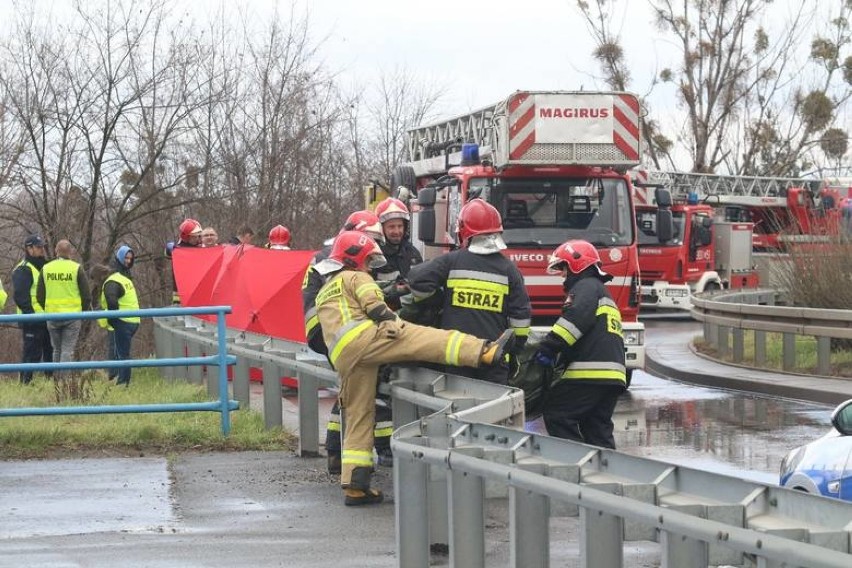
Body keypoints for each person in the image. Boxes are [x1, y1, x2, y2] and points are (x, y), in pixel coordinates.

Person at [313, 230, 515, 506]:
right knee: (426, 338)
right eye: (368, 261)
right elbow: (374, 305)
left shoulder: (326, 288)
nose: (369, 266)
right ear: (356, 258)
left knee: (358, 413)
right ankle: (484, 351)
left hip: (344, 357)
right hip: (365, 339)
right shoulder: (357, 277)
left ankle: (355, 485)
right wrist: (394, 324)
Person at [301, 210, 390, 474]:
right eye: (368, 237)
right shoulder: (342, 258)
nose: (371, 244)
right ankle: (385, 449)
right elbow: (351, 297)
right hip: (336, 331)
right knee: (370, 385)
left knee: (349, 390)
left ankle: (335, 453)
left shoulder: (328, 253)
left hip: (322, 331)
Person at [407, 199, 531, 385]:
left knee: (457, 410)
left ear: (464, 231)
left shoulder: (451, 261)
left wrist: (439, 300)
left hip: (456, 355)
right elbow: (520, 322)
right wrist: (514, 352)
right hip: (494, 359)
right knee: (493, 411)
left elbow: (416, 281)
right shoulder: (509, 270)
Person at [532, 239, 627, 449]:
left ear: (576, 264)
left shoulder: (585, 287)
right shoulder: (601, 291)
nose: (563, 275)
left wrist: (549, 346)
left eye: (563, 268)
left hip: (591, 374)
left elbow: (575, 320)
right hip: (613, 377)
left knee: (557, 414)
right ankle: (606, 475)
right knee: (597, 429)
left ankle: (576, 465)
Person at [36, 239, 91, 377]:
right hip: (72, 317)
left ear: (56, 252)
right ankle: (64, 382)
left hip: (52, 316)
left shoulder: (46, 268)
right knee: (67, 350)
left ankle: (56, 382)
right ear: (70, 252)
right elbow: (86, 295)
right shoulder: (76, 268)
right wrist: (82, 312)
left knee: (56, 350)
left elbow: (39, 296)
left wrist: (48, 308)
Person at [13, 235, 52, 384]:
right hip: (32, 320)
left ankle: (51, 385)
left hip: (47, 318)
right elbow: (20, 297)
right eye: (38, 247)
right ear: (29, 249)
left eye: (42, 246)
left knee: (50, 353)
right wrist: (32, 316)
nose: (42, 249)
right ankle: (25, 384)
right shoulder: (23, 269)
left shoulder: (44, 266)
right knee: (31, 355)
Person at [99, 245, 141, 387]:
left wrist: (113, 319)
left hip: (122, 320)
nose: (128, 261)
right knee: (118, 351)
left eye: (130, 258)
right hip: (129, 319)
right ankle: (117, 378)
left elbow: (112, 299)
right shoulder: (120, 275)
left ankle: (122, 383)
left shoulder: (115, 278)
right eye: (126, 258)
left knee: (121, 353)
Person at [372, 197, 422, 310]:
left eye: (400, 226)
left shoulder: (412, 253)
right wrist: (394, 291)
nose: (397, 231)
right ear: (381, 228)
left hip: (412, 314)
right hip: (385, 315)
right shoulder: (374, 256)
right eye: (391, 227)